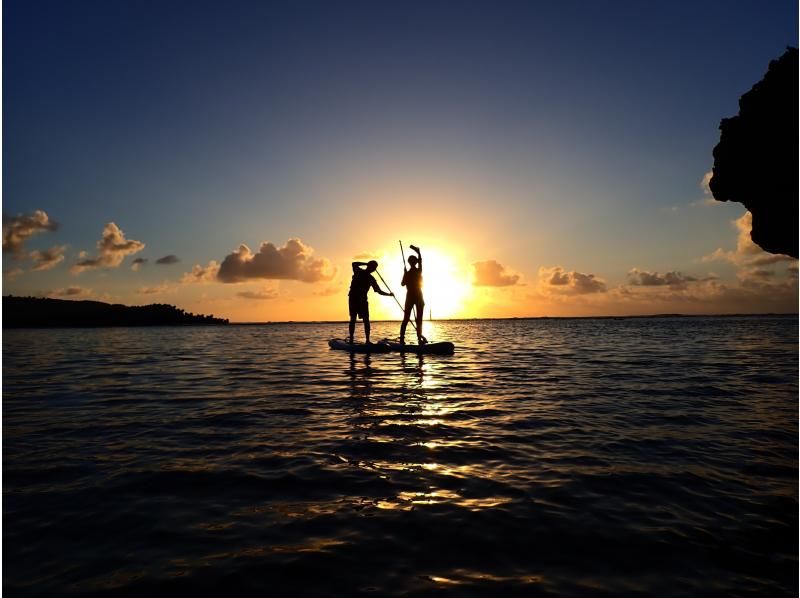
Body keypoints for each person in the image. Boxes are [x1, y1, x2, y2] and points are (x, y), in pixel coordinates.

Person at [348, 260, 392, 344]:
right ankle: (351, 339)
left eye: (375, 268)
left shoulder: (371, 279)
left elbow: (378, 291)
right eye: (373, 267)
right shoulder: (358, 271)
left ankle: (367, 340)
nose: (374, 269)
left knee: (366, 320)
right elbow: (354, 263)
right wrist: (366, 263)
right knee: (353, 319)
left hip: (363, 300)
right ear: (369, 266)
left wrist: (389, 294)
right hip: (353, 298)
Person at [400, 244, 427, 344]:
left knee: (417, 319)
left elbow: (421, 261)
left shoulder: (417, 271)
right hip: (411, 297)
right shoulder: (411, 272)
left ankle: (418, 338)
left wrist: (418, 252)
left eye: (414, 261)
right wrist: (404, 273)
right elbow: (403, 284)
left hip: (418, 296)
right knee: (407, 318)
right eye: (412, 261)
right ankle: (403, 338)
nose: (414, 262)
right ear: (410, 262)